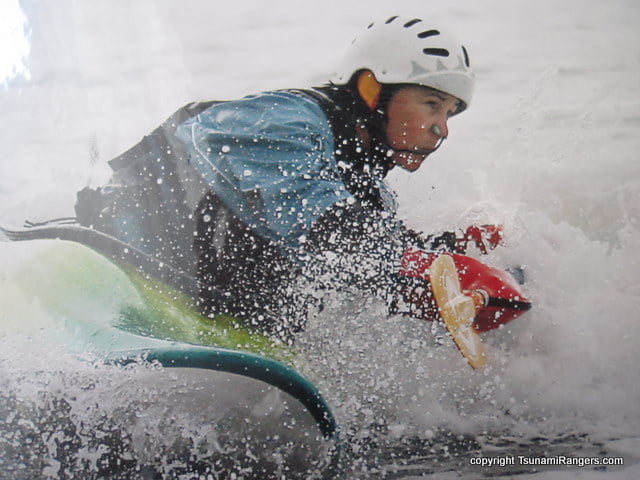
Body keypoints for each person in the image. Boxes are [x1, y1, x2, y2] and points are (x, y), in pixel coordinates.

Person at [75, 15, 530, 342]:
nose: (441, 128)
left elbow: (369, 249)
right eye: (432, 105)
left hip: (213, 299)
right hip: (126, 257)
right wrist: (423, 266)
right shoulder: (288, 121)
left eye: (449, 114)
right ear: (373, 88)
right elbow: (319, 222)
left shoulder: (368, 185)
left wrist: (454, 254)